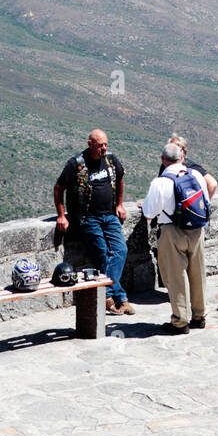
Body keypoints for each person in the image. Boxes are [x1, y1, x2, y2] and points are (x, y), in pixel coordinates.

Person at [54, 128, 134, 315]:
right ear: (90, 144)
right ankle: (120, 298)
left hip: (109, 215)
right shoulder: (76, 164)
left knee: (121, 250)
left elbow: (120, 179)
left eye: (106, 144)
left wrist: (120, 205)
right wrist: (61, 215)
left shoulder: (111, 160)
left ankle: (106, 294)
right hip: (88, 218)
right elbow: (59, 188)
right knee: (102, 254)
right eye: (100, 145)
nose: (104, 149)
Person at [142, 142, 210, 334]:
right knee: (197, 273)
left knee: (176, 276)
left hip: (172, 231)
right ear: (182, 158)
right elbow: (205, 199)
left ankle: (180, 321)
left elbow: (148, 213)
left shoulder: (160, 183)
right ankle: (200, 315)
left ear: (163, 161)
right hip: (197, 230)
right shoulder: (195, 175)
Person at [160, 134, 218, 200]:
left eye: (177, 148)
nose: (174, 151)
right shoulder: (165, 165)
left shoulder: (191, 167)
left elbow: (212, 184)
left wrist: (204, 204)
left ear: (183, 151)